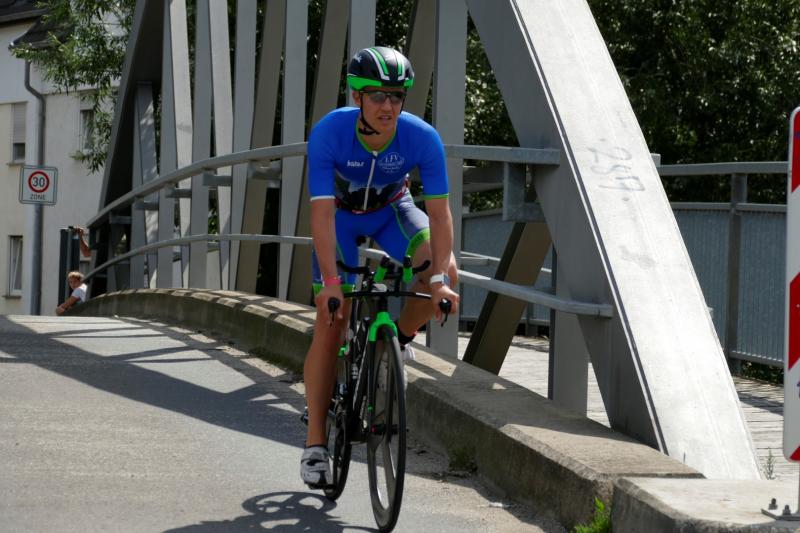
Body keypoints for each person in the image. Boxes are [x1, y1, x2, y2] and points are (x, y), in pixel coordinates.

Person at [300, 46, 460, 488]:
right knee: (333, 320)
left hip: (393, 213)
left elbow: (440, 215)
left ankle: (397, 341)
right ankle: (315, 444)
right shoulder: (330, 132)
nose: (387, 106)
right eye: (376, 96)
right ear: (357, 96)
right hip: (340, 220)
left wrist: (439, 282)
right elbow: (320, 215)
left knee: (445, 270)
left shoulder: (421, 137)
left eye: (396, 96)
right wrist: (331, 283)